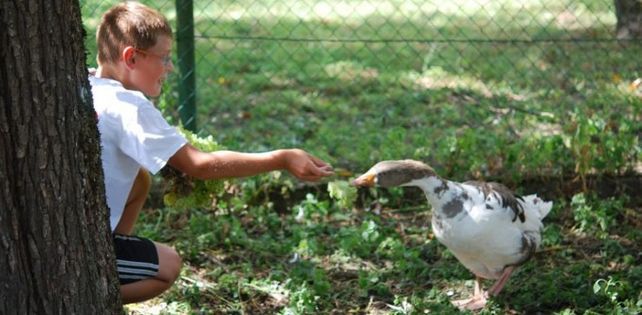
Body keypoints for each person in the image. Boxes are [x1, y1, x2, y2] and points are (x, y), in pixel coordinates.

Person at [90, 2, 334, 304]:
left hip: (79, 224)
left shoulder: (88, 83)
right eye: (164, 58)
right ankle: (91, 296)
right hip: (79, 246)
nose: (170, 67)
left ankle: (110, 256)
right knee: (168, 266)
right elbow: (200, 166)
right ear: (131, 57)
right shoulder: (129, 108)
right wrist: (280, 158)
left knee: (141, 181)